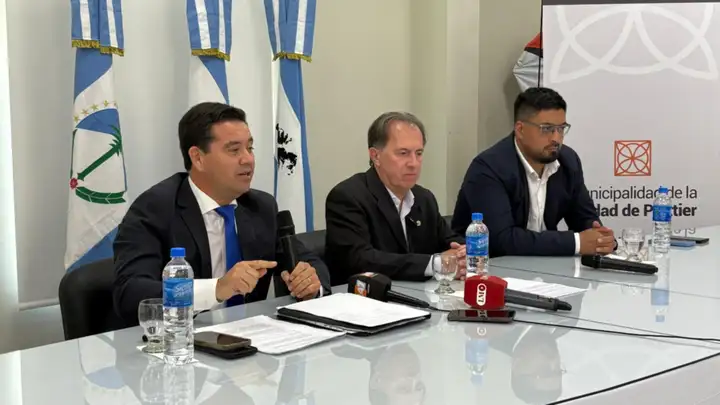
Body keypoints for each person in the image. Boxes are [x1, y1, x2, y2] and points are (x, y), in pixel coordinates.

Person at [113, 102, 330, 325]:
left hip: (248, 338)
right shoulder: (154, 209)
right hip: (179, 338)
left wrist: (311, 283)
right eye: (234, 150)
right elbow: (131, 293)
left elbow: (307, 260)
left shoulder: (260, 207)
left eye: (250, 148)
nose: (248, 159)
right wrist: (217, 288)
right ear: (198, 158)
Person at [452, 87, 615, 257]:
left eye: (561, 128)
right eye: (547, 129)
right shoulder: (488, 168)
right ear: (520, 130)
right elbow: (501, 240)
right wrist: (577, 242)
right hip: (486, 266)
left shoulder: (568, 161)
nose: (556, 138)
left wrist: (600, 239)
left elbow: (585, 218)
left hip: (543, 266)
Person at [324, 112, 465, 285]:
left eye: (419, 153)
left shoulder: (424, 198)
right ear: (375, 156)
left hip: (419, 295)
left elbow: (450, 241)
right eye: (403, 153)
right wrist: (434, 264)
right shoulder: (348, 197)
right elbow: (360, 260)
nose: (413, 163)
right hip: (364, 297)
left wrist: (463, 255)